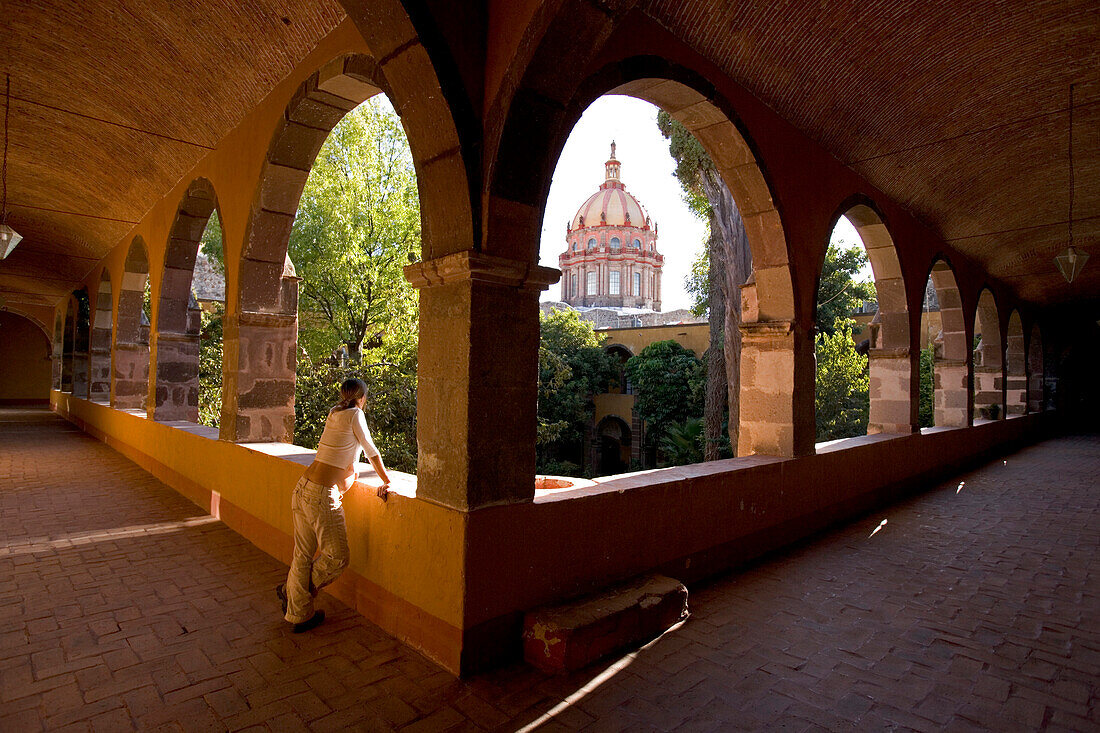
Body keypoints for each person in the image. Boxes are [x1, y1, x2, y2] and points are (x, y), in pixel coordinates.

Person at [277, 377, 391, 632]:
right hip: (319, 495)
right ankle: (292, 592)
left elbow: (339, 453)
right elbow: (372, 452)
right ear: (362, 397)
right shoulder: (355, 415)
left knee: (303, 555)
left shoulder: (334, 412)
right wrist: (387, 480)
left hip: (303, 487)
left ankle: (299, 612)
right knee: (338, 557)